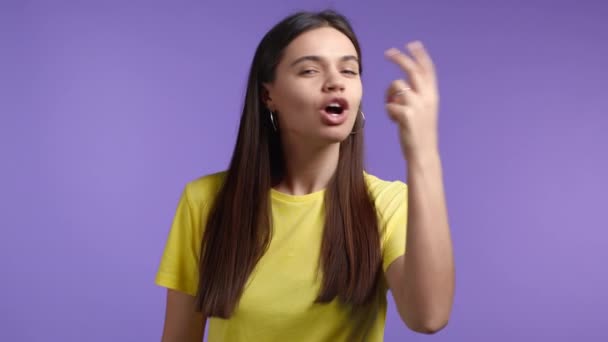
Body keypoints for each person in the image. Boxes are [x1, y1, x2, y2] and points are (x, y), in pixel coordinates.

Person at [155, 9, 454, 342]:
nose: (335, 81)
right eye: (310, 70)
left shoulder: (387, 204)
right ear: (269, 95)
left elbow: (429, 316)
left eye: (349, 70)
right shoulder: (205, 201)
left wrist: (423, 152)